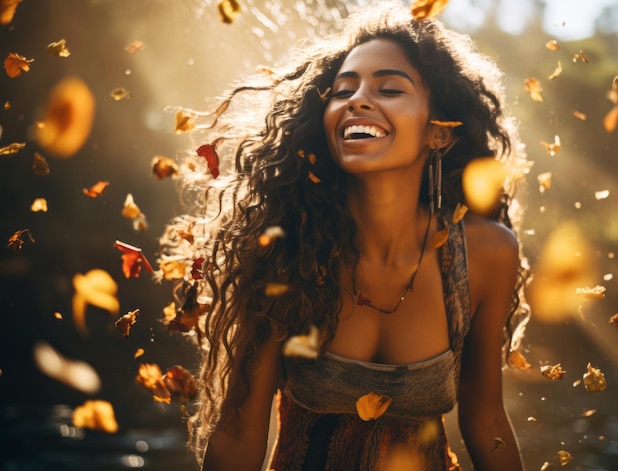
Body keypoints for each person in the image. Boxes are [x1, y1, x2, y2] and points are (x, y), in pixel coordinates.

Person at [159, 1, 530, 469]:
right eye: (342, 91)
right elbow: (238, 430)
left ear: (439, 133)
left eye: (390, 88)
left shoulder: (485, 252)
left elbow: (487, 422)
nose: (357, 100)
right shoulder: (281, 248)